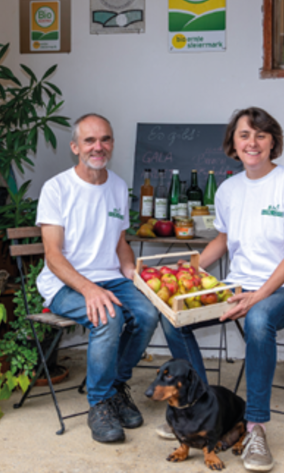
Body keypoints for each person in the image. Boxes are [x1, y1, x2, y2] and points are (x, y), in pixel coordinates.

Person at [36, 113, 187, 444]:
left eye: (104, 139)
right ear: (76, 146)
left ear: (112, 144)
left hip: (111, 278)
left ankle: (115, 385)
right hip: (64, 282)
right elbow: (53, 256)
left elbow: (119, 243)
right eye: (89, 140)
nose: (98, 146)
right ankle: (100, 403)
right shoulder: (57, 188)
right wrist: (89, 290)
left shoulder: (118, 186)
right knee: (107, 316)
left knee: (148, 313)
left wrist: (133, 273)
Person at [176, 107, 284, 472]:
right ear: (233, 143)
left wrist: (259, 296)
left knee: (258, 322)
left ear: (273, 142)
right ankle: (203, 408)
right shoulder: (228, 189)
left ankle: (254, 427)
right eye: (244, 135)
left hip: (278, 289)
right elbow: (222, 241)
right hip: (236, 286)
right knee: (174, 317)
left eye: (261, 135)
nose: (252, 143)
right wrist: (184, 274)